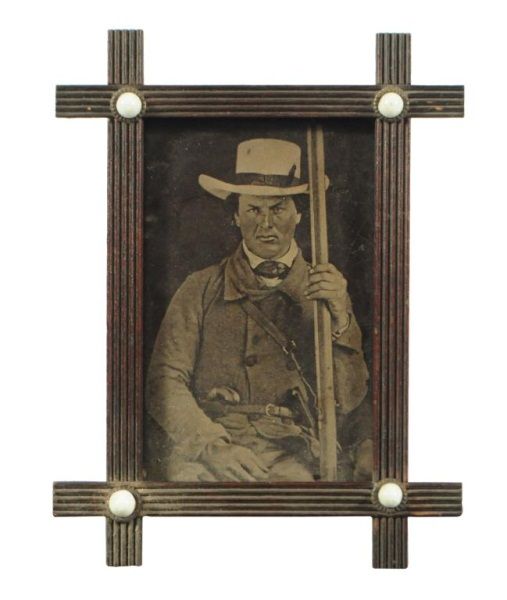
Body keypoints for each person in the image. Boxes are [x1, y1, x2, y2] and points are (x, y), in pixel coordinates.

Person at [146, 138, 371, 482]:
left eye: (278, 209)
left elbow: (349, 400)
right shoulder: (200, 288)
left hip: (290, 449)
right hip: (208, 445)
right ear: (236, 216)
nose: (266, 223)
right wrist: (212, 446)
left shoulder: (325, 289)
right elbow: (164, 381)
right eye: (253, 210)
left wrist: (341, 318)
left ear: (299, 214)